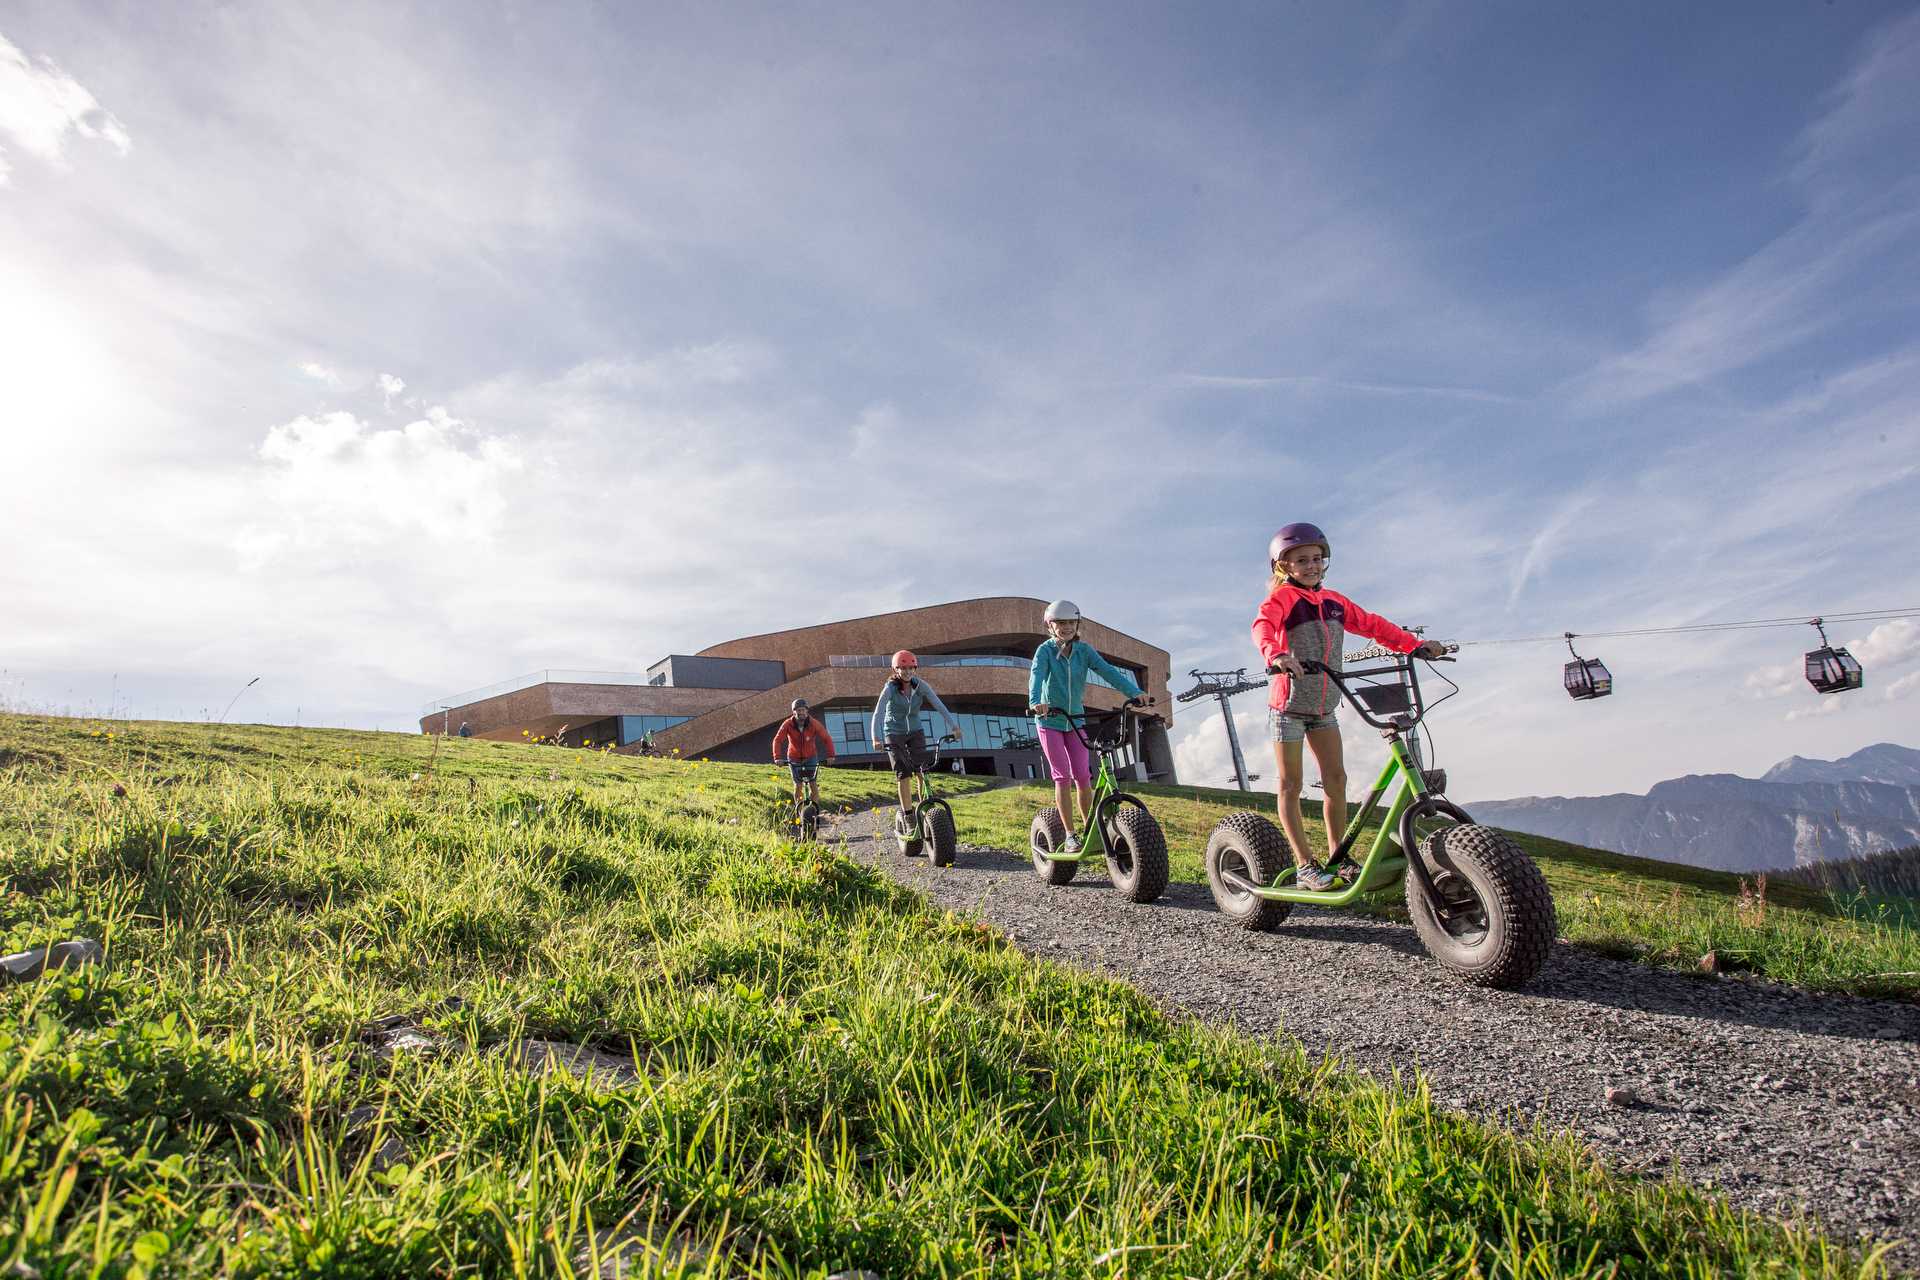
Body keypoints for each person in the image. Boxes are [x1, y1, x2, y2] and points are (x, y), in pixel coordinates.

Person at [1253, 522, 1448, 890]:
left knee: (1336, 781)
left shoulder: (1335, 603)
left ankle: (1338, 857)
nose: (1311, 566)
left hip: (1325, 706)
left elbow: (1373, 625)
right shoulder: (1281, 601)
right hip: (1289, 707)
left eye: (1316, 559)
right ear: (1283, 567)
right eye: (1301, 561)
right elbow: (1263, 627)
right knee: (1291, 783)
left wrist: (1413, 645)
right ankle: (1305, 865)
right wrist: (1276, 654)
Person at [1027, 599, 1146, 853]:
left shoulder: (1084, 651)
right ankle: (1070, 836)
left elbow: (1107, 671)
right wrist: (1037, 702)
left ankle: (1091, 829)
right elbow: (1036, 676)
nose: (1067, 627)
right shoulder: (1045, 651)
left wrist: (1135, 692)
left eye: (1071, 622)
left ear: (1077, 624)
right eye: (1061, 623)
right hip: (1050, 720)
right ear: (1050, 625)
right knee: (1063, 776)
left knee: (1083, 776)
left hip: (1075, 719)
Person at [870, 651, 961, 841]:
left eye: (910, 668)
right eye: (902, 668)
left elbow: (938, 704)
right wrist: (875, 738)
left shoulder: (920, 686)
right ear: (895, 669)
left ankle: (925, 809)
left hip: (916, 732)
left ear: (915, 669)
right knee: (903, 774)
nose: (907, 671)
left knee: (922, 770)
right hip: (893, 733)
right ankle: (909, 816)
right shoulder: (890, 688)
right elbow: (878, 712)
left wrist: (954, 726)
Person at [772, 698, 835, 815]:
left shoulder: (814, 723)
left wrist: (831, 755)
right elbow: (777, 740)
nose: (801, 712)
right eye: (798, 710)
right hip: (794, 757)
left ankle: (813, 811)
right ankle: (800, 813)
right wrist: (777, 757)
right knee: (798, 786)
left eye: (803, 710)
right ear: (793, 712)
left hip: (811, 757)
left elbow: (827, 738)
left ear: (807, 711)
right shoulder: (788, 724)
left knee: (813, 785)